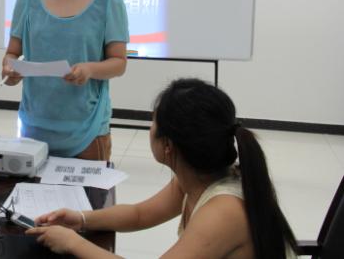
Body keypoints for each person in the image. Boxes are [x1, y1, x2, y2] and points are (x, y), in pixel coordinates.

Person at [27, 78, 298, 259]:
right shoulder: (198, 176)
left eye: (153, 122)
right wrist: (81, 219)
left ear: (168, 145)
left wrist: (73, 243)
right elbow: (139, 215)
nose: (150, 129)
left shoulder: (223, 211)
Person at [1, 0, 129, 161]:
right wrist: (9, 69)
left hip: (87, 133)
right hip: (33, 128)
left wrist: (89, 69)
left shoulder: (108, 0)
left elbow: (119, 62)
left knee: (87, 190)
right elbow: (12, 53)